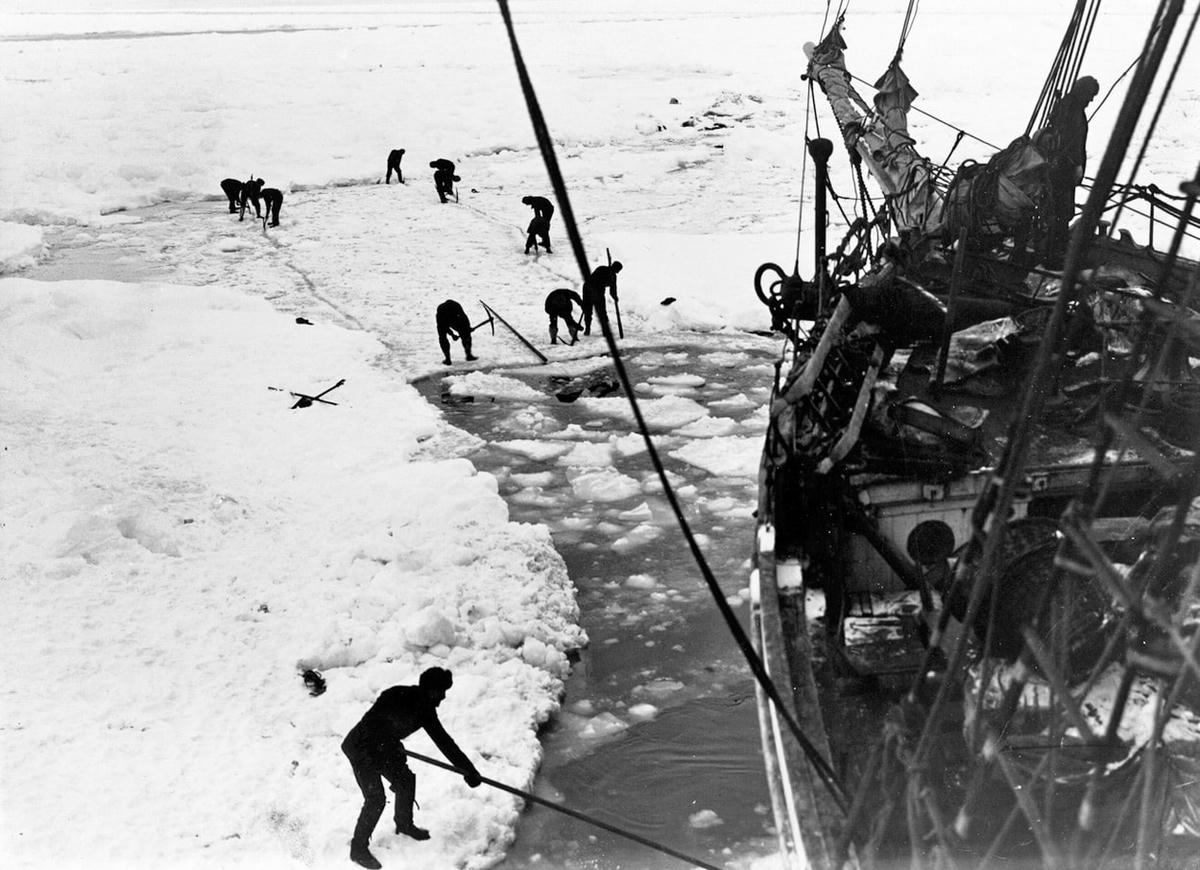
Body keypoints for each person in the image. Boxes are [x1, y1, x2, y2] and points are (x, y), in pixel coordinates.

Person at [342, 667, 482, 869]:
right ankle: (358, 849)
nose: (443, 697)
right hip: (361, 747)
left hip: (385, 747)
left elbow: (445, 743)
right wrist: (391, 748)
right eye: (441, 692)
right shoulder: (395, 695)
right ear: (430, 690)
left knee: (406, 781)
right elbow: (372, 727)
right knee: (376, 798)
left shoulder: (426, 711)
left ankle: (404, 824)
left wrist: (468, 770)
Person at [1035, 75, 1099, 263]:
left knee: (1057, 210)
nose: (1091, 101)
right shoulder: (1072, 111)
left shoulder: (1066, 106)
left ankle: (1052, 249)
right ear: (1083, 92)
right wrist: (1077, 165)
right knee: (1061, 211)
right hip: (1063, 170)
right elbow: (1072, 141)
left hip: (1058, 169)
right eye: (1090, 96)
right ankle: (1054, 254)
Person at [581, 260, 622, 336]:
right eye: (617, 270)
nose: (617, 272)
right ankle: (587, 328)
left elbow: (613, 289)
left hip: (599, 292)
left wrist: (614, 296)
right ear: (613, 267)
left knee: (602, 311)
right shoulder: (601, 269)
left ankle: (605, 330)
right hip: (588, 290)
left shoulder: (613, 277)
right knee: (588, 310)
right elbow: (593, 280)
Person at [436, 299, 478, 365]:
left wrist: (467, 329)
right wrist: (452, 334)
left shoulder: (456, 308)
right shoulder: (441, 313)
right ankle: (448, 359)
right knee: (442, 338)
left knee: (466, 335)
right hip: (445, 318)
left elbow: (464, 319)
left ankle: (468, 355)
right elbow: (443, 327)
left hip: (456, 318)